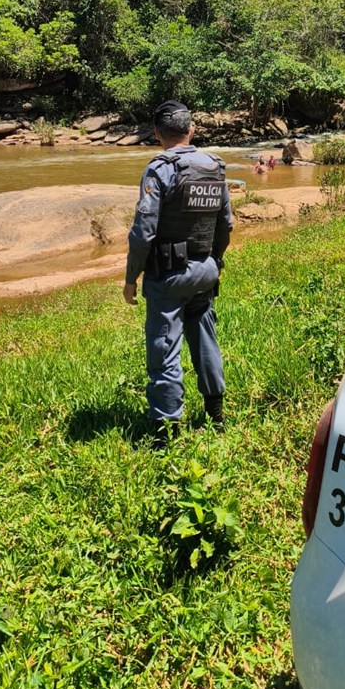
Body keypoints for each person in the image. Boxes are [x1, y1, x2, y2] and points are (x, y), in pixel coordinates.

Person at [123, 101, 232, 442]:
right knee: (204, 340)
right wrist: (215, 261)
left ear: (157, 134)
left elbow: (144, 232)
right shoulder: (215, 167)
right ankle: (216, 412)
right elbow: (225, 224)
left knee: (163, 347)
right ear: (192, 131)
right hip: (205, 270)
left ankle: (166, 432)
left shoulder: (160, 169)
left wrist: (131, 278)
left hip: (168, 277)